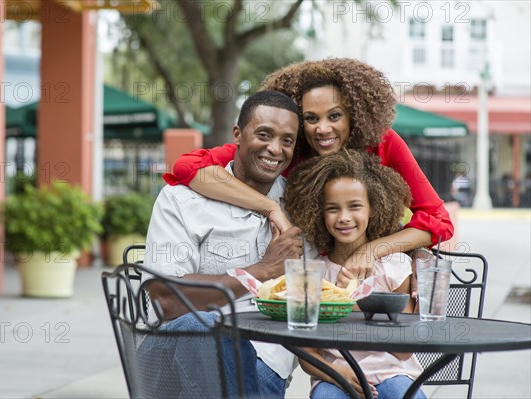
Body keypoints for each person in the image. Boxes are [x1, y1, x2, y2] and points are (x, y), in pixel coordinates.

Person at [163, 58, 453, 288]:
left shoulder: (383, 143)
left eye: (334, 116)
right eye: (311, 119)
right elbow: (188, 166)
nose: (322, 129)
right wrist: (269, 207)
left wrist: (374, 251)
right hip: (314, 278)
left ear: (355, 114)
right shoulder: (287, 150)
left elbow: (438, 220)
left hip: (376, 276)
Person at [140, 90, 303, 398]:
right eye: (264, 134)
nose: (275, 149)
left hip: (267, 362)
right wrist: (262, 270)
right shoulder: (182, 199)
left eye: (287, 140)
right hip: (178, 356)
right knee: (202, 325)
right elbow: (167, 300)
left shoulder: (300, 203)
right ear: (238, 135)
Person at [283, 149, 426, 399]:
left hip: (392, 372)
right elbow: (307, 355)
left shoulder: (394, 267)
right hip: (334, 376)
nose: (344, 218)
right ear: (320, 213)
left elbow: (404, 351)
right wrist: (340, 373)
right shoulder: (312, 273)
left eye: (355, 206)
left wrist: (359, 298)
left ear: (373, 208)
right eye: (333, 209)